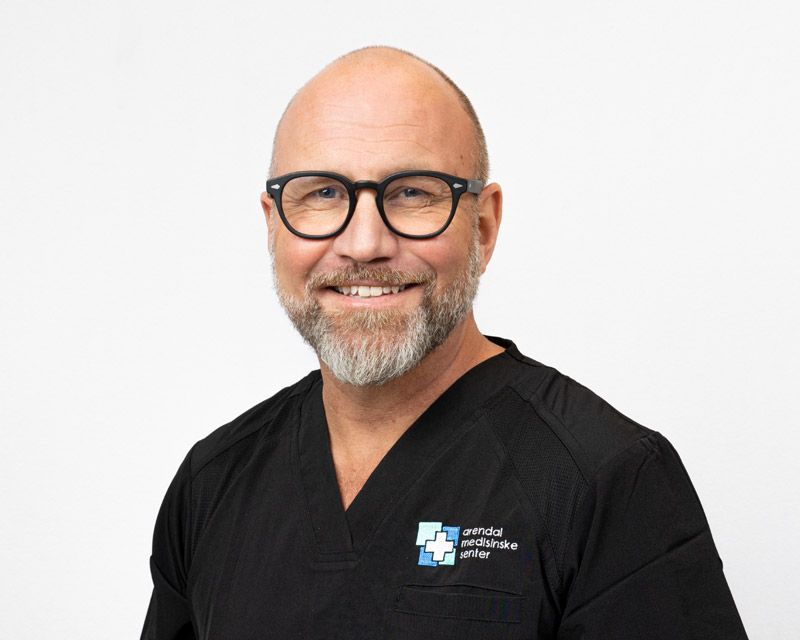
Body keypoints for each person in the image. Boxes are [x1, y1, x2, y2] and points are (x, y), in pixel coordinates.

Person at [141, 47, 748, 639]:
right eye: (323, 193)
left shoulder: (604, 480)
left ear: (483, 226)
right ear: (273, 226)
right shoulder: (212, 485)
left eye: (412, 192)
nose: (364, 244)